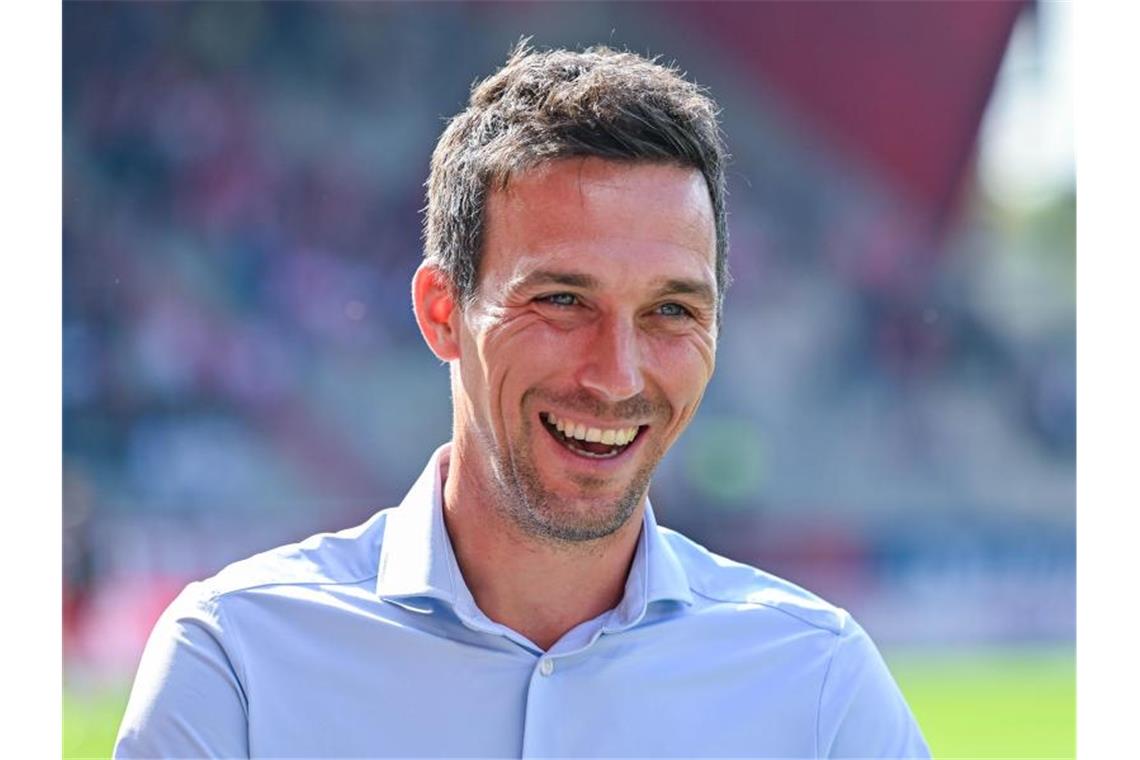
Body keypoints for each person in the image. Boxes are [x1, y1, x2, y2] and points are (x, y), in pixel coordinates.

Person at [114, 43, 930, 758]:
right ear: (443, 313)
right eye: (562, 302)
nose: (617, 377)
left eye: (671, 311)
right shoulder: (238, 663)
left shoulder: (819, 683)